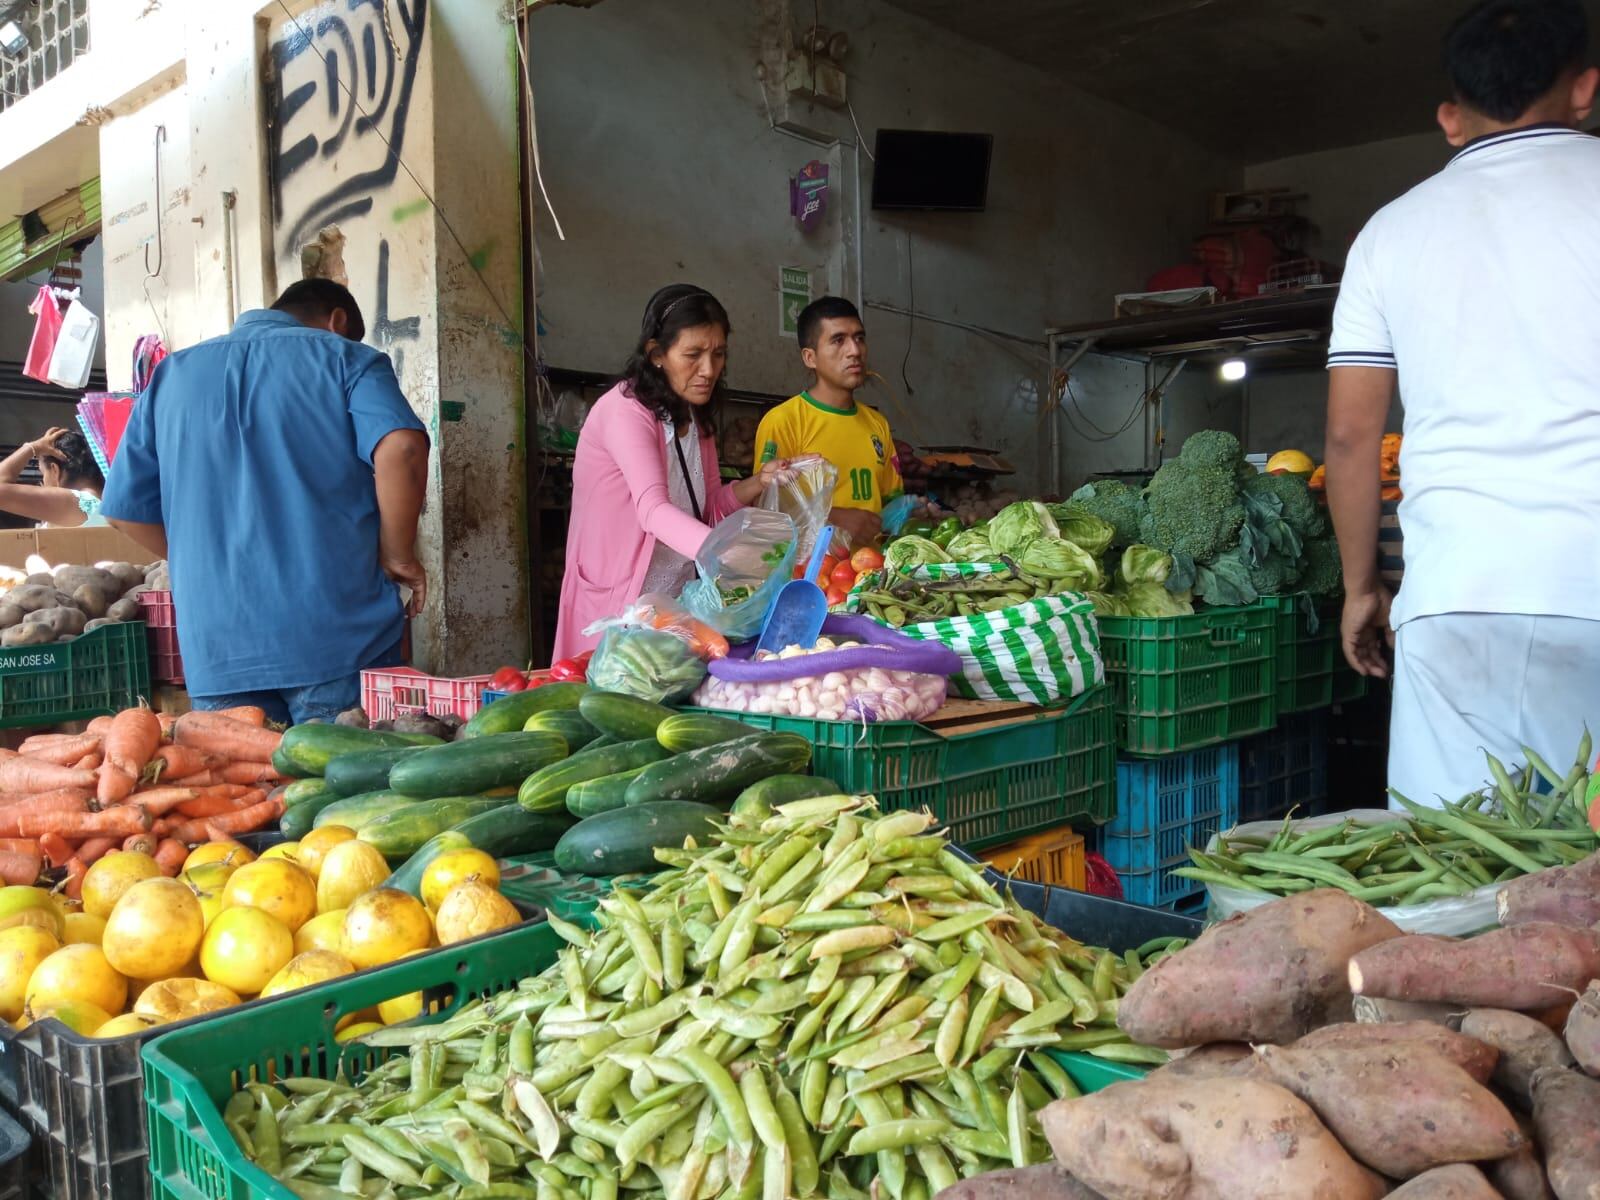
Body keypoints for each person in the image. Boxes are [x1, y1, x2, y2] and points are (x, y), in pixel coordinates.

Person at [1325, 0, 1600, 805]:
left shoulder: (1388, 233)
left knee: (1452, 856)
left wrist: (1361, 590)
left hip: (1457, 594)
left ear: (1450, 119)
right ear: (1585, 90)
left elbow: (1350, 437)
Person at [100, 279, 430, 725]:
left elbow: (122, 510)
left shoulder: (170, 376)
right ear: (338, 321)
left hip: (218, 648)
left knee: (242, 772)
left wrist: (206, 561)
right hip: (337, 637)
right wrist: (398, 554)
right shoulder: (346, 358)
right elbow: (403, 448)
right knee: (346, 769)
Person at [555, 285, 791, 660]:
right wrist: (728, 556)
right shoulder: (625, 411)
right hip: (621, 602)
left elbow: (707, 507)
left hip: (673, 604)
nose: (709, 370)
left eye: (718, 354)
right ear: (656, 354)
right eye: (693, 355)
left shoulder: (694, 414)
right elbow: (652, 510)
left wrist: (757, 482)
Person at [754, 297, 902, 553]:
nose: (854, 350)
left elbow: (891, 502)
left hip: (873, 571)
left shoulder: (878, 424)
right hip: (811, 573)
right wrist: (834, 518)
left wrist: (912, 510)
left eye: (859, 338)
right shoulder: (783, 421)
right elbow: (764, 509)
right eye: (838, 340)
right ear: (810, 357)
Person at [0, 427, 106, 527]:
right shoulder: (103, 501)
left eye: (43, 474)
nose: (43, 482)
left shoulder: (78, 503)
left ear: (55, 470)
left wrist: (32, 447)